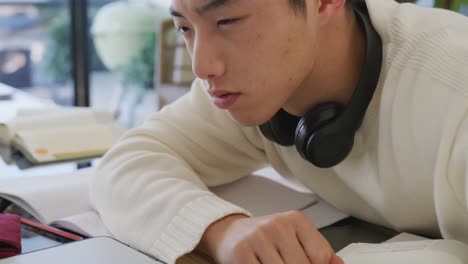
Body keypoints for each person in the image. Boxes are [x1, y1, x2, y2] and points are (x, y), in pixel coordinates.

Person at [90, 0, 468, 263]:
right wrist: (221, 230)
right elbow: (125, 164)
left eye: (228, 21)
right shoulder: (248, 90)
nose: (202, 65)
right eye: (185, 28)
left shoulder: (455, 90)